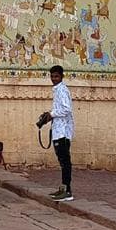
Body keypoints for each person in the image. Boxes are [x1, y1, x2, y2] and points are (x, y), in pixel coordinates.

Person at [47, 64, 75, 202]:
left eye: (56, 76)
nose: (54, 79)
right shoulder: (57, 90)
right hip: (58, 130)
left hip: (63, 131)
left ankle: (68, 190)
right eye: (52, 76)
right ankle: (63, 188)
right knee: (62, 161)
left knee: (65, 162)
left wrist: (51, 114)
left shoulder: (62, 90)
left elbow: (66, 109)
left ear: (62, 76)